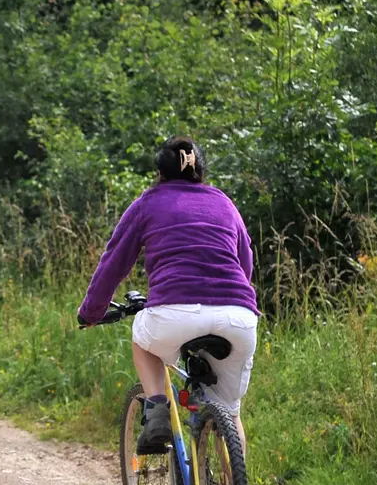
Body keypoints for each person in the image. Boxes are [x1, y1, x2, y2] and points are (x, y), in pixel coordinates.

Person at [77, 137, 258, 455]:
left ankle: (157, 410)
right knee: (230, 413)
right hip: (238, 316)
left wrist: (91, 312)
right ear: (200, 170)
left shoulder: (148, 203)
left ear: (159, 172)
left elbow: (114, 263)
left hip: (174, 315)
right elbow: (246, 263)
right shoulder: (225, 203)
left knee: (142, 340)